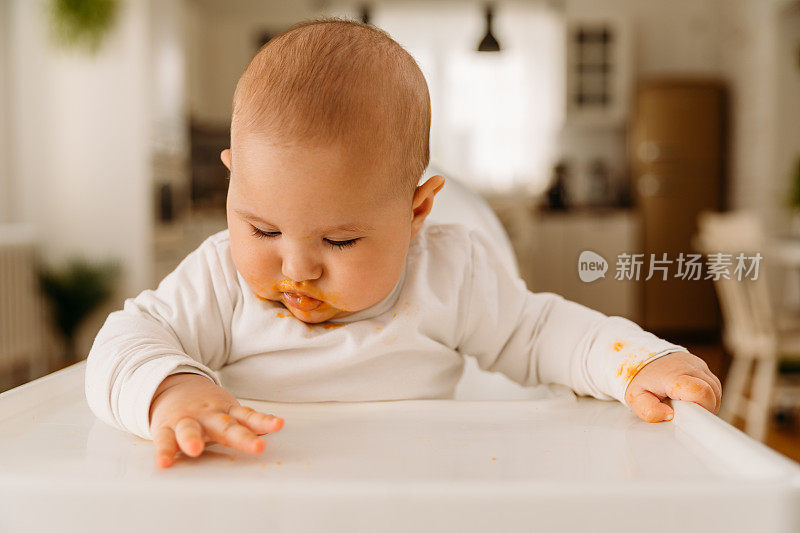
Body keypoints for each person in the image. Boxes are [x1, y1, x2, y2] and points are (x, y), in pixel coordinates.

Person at [85, 18, 722, 469]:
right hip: (255, 488)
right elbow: (124, 340)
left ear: (417, 212)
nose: (296, 266)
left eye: (338, 238)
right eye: (263, 229)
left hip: (416, 491)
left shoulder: (448, 274)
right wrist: (173, 391)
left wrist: (634, 362)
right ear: (232, 183)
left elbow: (539, 333)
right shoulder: (220, 280)